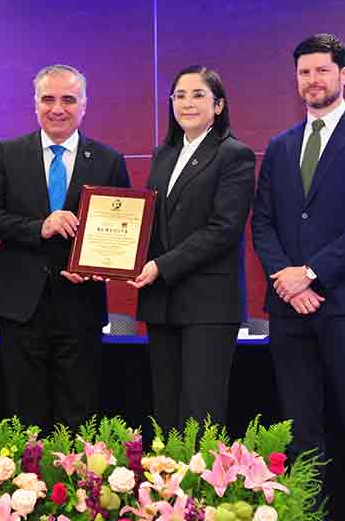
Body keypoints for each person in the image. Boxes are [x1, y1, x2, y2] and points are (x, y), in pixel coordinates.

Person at [251, 34, 345, 521]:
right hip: (289, 310)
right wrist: (285, 280)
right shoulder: (279, 146)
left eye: (321, 70)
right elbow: (263, 222)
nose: (312, 80)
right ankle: (305, 514)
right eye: (303, 72)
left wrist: (310, 274)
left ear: (344, 74)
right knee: (299, 428)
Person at [0, 64, 130, 432]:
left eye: (68, 99)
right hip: (19, 303)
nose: (57, 108)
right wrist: (38, 227)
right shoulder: (8, 153)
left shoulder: (108, 160)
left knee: (80, 411)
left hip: (81, 303)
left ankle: (76, 488)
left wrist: (100, 267)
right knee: (24, 412)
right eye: (48, 99)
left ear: (84, 106)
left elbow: (123, 230)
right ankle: (27, 488)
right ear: (35, 104)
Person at [128, 66, 255, 432]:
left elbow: (223, 230)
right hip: (162, 301)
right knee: (165, 413)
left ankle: (201, 490)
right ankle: (167, 491)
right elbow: (152, 220)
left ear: (218, 106)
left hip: (208, 303)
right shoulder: (163, 154)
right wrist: (115, 259)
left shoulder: (234, 155)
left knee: (201, 414)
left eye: (198, 94)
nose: (187, 103)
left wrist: (160, 266)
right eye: (180, 95)